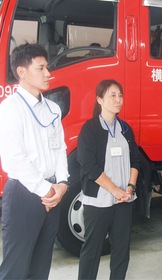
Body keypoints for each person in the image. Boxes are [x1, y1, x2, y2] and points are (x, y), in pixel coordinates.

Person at [0, 43, 69, 279]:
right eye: (41, 68)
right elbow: (15, 158)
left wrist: (62, 182)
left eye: (47, 67)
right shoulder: (9, 109)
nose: (48, 73)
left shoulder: (53, 108)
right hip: (24, 193)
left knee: (41, 265)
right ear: (22, 72)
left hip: (52, 193)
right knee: (15, 267)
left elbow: (60, 147)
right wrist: (47, 189)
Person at [77, 79, 140, 280]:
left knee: (121, 250)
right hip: (99, 201)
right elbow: (88, 165)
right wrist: (114, 190)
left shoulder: (125, 129)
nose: (118, 99)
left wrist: (130, 187)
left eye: (120, 95)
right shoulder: (90, 129)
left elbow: (136, 159)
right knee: (92, 250)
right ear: (99, 99)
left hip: (123, 200)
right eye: (112, 95)